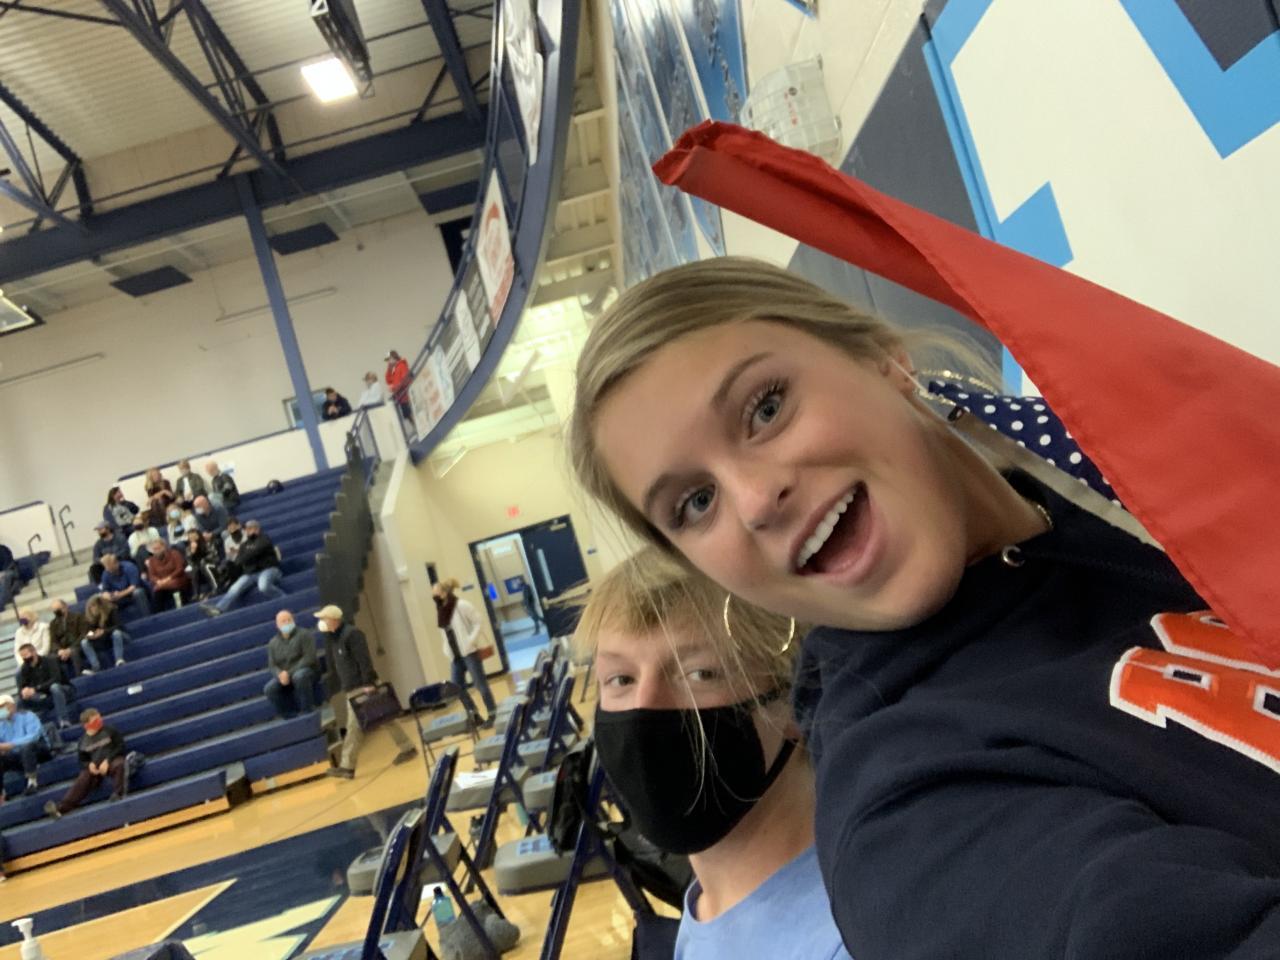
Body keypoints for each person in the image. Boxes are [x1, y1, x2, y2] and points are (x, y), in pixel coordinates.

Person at [568, 258, 1280, 958]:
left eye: (766, 409)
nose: (755, 500)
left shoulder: (1120, 473)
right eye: (696, 503)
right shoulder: (910, 823)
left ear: (882, 359)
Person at [580, 550, 848, 960]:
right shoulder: (711, 902)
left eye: (700, 674)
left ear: (797, 694)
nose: (644, 706)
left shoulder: (849, 933)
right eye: (620, 679)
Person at [317, 604, 416, 779]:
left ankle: (347, 766)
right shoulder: (334, 639)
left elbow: (364, 659)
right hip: (351, 687)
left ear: (333, 619)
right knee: (385, 718)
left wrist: (369, 682)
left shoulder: (352, 634)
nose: (322, 622)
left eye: (323, 618)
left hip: (361, 687)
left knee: (354, 727)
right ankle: (408, 747)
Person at [432, 578, 496, 720]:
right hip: (455, 656)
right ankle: (474, 716)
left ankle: (492, 714)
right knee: (457, 688)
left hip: (469, 653)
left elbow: (478, 621)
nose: (434, 597)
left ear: (444, 593)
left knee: (480, 685)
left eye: (436, 594)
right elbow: (445, 634)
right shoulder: (441, 611)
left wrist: (470, 640)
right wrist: (445, 649)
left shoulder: (461, 605)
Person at [44, 708, 127, 816]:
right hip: (95, 769)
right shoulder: (83, 741)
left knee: (119, 764)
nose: (99, 721)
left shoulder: (110, 730)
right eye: (95, 721)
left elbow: (120, 746)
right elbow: (82, 761)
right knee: (83, 777)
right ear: (87, 725)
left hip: (111, 761)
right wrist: (89, 765)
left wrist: (108, 760)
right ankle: (61, 808)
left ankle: (118, 794)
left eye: (99, 719)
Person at [201, 520, 284, 616]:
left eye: (252, 528)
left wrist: (244, 555)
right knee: (234, 589)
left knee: (263, 586)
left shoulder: (264, 538)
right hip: (251, 573)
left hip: (269, 569)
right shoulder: (244, 545)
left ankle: (284, 599)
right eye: (247, 529)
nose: (249, 531)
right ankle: (218, 608)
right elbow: (239, 560)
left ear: (257, 529)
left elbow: (255, 551)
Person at [264, 610, 318, 718]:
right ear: (277, 625)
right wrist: (280, 674)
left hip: (307, 671)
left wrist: (289, 673)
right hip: (285, 676)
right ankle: (288, 715)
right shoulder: (272, 643)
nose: (287, 623)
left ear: (294, 620)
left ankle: (307, 710)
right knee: (269, 689)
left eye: (289, 620)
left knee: (300, 676)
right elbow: (272, 665)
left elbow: (309, 658)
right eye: (283, 621)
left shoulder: (304, 634)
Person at [0, 694, 50, 799]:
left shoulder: (28, 716)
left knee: (27, 747)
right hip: (17, 755)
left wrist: (11, 745)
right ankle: (1, 792)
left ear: (12, 706)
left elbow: (33, 736)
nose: (1, 711)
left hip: (38, 750)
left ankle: (32, 782)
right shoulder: (1, 725)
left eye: (3, 707)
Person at [16, 641, 73, 728]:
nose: (24, 658)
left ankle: (64, 720)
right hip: (42, 695)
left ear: (34, 652)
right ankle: (24, 728)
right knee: (20, 701)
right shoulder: (24, 668)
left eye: (25, 655)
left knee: (54, 687)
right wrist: (24, 692)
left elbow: (56, 679)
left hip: (63, 690)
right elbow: (22, 687)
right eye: (22, 656)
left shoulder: (50, 660)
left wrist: (36, 689)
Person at [82, 594, 129, 672]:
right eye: (90, 607)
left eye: (94, 606)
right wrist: (92, 635)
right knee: (84, 642)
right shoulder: (90, 619)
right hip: (104, 641)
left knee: (116, 633)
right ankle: (95, 666)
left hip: (119, 637)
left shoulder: (111, 611)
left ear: (100, 605)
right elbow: (88, 632)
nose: (91, 609)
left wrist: (104, 631)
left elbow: (118, 626)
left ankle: (119, 659)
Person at [144, 538, 190, 610]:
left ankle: (182, 609)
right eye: (154, 549)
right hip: (162, 584)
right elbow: (151, 575)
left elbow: (180, 568)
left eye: (158, 548)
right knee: (157, 592)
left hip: (176, 580)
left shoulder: (174, 553)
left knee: (175, 587)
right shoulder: (151, 560)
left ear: (164, 547)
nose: (156, 551)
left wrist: (168, 578)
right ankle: (160, 614)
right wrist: (158, 581)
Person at [99, 553, 151, 618]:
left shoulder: (129, 567)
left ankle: (147, 617)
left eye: (110, 568)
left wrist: (120, 595)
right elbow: (104, 590)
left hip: (132, 593)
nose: (108, 570)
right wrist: (108, 595)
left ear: (116, 563)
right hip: (118, 597)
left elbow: (134, 586)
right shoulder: (106, 573)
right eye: (107, 568)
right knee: (104, 600)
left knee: (138, 592)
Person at [47, 599, 87, 676]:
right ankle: (59, 679)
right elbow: (53, 641)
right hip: (62, 649)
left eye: (58, 609)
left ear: (65, 607)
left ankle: (79, 676)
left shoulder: (78, 617)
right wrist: (60, 650)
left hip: (76, 645)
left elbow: (83, 634)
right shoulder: (53, 623)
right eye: (54, 611)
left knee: (74, 652)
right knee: (50, 658)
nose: (57, 612)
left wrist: (69, 649)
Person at [184, 529, 221, 599]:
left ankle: (215, 587)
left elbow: (214, 555)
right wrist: (192, 552)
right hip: (198, 567)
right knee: (193, 569)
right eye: (190, 537)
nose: (192, 538)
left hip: (212, 564)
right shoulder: (188, 548)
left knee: (204, 565)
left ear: (198, 536)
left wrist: (204, 560)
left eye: (194, 536)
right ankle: (196, 593)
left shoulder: (206, 543)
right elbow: (189, 561)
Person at [384, 350, 412, 423]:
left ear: (394, 357)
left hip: (406, 396)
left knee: (411, 415)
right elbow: (388, 380)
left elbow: (405, 381)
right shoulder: (394, 369)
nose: (388, 362)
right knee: (408, 416)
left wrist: (394, 388)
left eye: (389, 359)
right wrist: (389, 369)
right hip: (401, 398)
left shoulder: (402, 365)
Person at [0, 540, 17, 610]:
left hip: (10, 573)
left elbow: (8, 565)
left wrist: (2, 573)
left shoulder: (2, 549)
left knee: (5, 577)